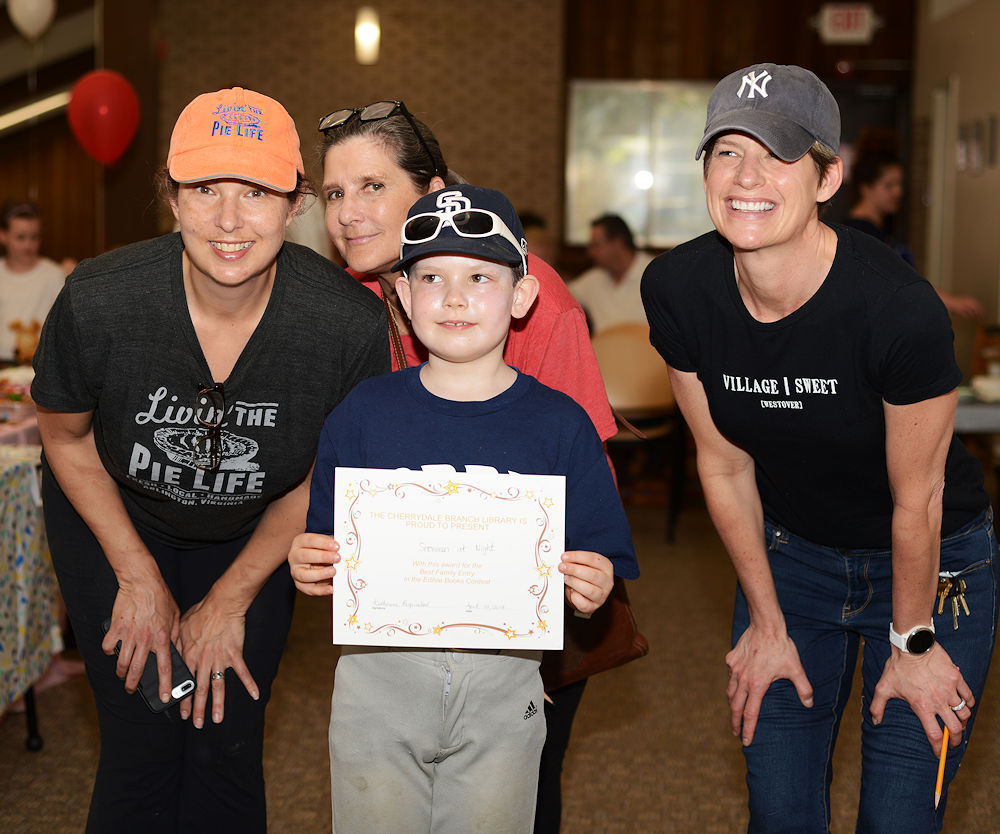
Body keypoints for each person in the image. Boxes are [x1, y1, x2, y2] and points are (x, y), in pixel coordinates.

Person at [642, 63, 998, 833]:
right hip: (792, 557)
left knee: (901, 816)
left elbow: (919, 500)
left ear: (827, 176)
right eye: (727, 151)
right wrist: (765, 623)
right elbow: (723, 461)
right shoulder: (678, 289)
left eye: (777, 154)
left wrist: (912, 640)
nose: (747, 176)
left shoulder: (897, 309)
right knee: (778, 809)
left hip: (932, 566)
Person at [30, 87, 389, 833]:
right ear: (171, 198)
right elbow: (64, 437)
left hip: (257, 526)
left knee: (224, 736)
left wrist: (229, 601)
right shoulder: (100, 301)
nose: (229, 222)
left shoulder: (345, 325)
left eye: (256, 193)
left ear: (296, 205)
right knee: (142, 733)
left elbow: (324, 473)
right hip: (113, 512)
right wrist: (136, 575)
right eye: (205, 191)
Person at [289, 183, 638, 832]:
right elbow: (326, 547)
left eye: (480, 276)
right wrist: (310, 562)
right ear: (400, 293)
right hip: (378, 686)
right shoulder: (361, 415)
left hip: (503, 690)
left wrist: (593, 584)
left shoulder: (561, 426)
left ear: (522, 295)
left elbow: (599, 557)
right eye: (431, 277)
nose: (453, 297)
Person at [845, 143, 984, 320]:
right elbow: (897, 281)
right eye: (889, 185)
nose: (898, 192)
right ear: (865, 188)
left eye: (899, 184)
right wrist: (951, 301)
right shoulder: (859, 232)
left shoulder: (878, 229)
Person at [0, 200, 67, 363]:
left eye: (34, 237)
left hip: (42, 366)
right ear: (3, 236)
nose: (28, 244)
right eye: (20, 238)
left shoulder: (54, 274)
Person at [569, 213, 653, 333]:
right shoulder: (593, 279)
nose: (590, 252)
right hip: (601, 350)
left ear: (617, 243)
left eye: (596, 245)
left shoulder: (655, 275)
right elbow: (558, 299)